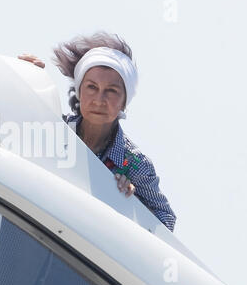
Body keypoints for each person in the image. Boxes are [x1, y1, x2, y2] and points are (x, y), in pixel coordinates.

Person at [18, 31, 176, 232]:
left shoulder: (134, 163)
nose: (99, 100)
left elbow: (166, 222)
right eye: (92, 87)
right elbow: (11, 127)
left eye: (111, 91)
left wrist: (132, 203)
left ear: (124, 102)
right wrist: (25, 79)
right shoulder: (55, 128)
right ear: (79, 91)